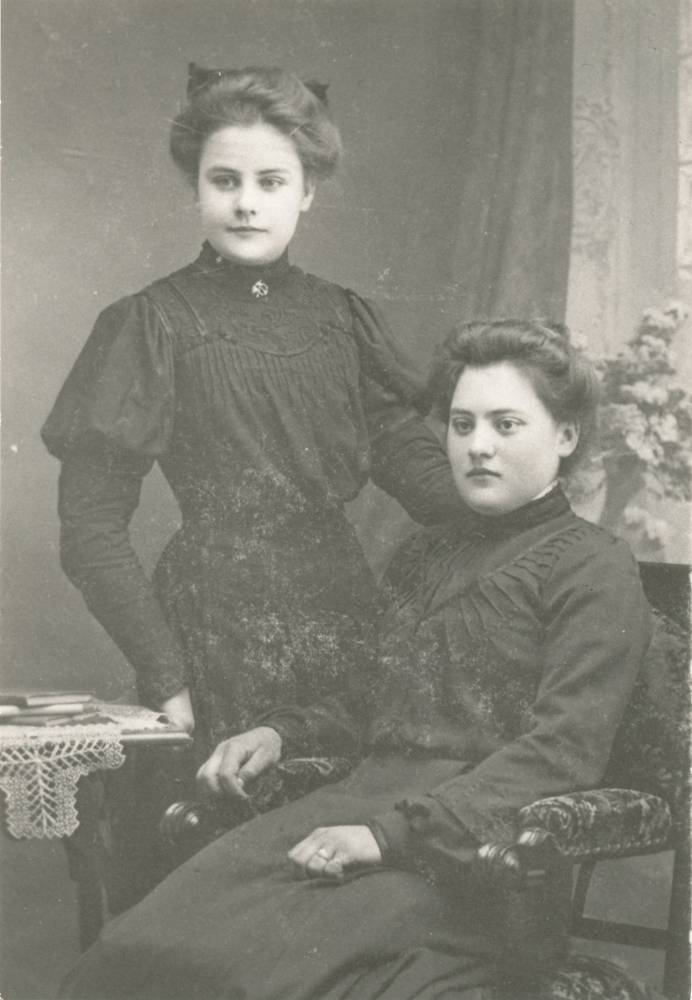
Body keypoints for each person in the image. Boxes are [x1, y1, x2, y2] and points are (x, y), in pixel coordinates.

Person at [58, 319, 654, 1000]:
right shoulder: (426, 553)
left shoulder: (593, 567)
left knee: (260, 974)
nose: (477, 446)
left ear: (566, 436)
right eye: (461, 425)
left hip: (480, 858)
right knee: (135, 948)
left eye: (506, 425)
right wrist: (279, 733)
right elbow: (372, 696)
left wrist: (384, 837)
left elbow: (564, 750)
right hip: (351, 808)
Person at [41, 65, 462, 784]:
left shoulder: (342, 317)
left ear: (307, 191)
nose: (245, 203)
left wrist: (526, 510)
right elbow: (90, 529)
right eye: (224, 181)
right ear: (195, 189)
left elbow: (415, 467)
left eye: (270, 182)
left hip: (344, 623)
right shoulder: (151, 323)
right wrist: (165, 674)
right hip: (214, 637)